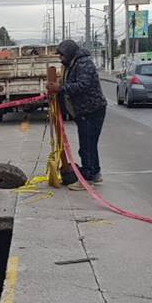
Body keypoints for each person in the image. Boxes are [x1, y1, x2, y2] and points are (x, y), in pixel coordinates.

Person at [48, 39, 107, 190]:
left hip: (91, 110)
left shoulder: (83, 64)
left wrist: (60, 88)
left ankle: (87, 178)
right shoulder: (72, 65)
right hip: (84, 111)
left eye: (62, 55)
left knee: (87, 146)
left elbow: (83, 85)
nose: (60, 58)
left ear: (69, 53)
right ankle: (95, 173)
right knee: (89, 145)